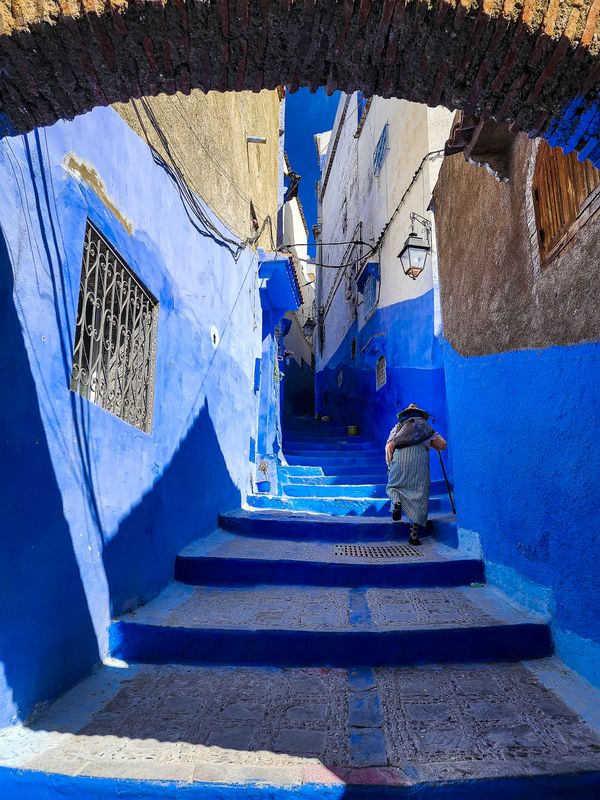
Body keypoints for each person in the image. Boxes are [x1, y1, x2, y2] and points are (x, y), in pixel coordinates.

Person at [385, 403, 447, 545]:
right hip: (419, 463)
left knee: (393, 487)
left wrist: (390, 465)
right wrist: (434, 441)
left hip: (400, 460)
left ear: (405, 414)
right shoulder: (425, 427)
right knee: (419, 496)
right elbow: (442, 445)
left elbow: (389, 446)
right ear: (419, 414)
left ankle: (396, 502)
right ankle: (414, 535)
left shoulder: (397, 428)